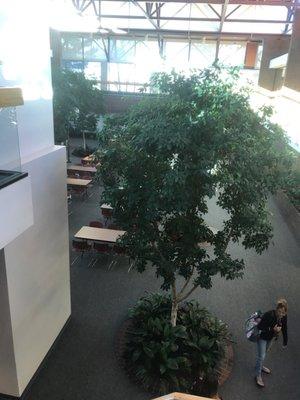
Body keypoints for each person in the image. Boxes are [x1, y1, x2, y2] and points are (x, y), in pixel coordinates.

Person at [255, 298, 288, 388]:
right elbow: (260, 327)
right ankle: (258, 376)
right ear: (277, 309)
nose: (281, 314)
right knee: (261, 356)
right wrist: (272, 329)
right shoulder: (269, 314)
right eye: (280, 311)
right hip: (262, 337)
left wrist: (285, 341)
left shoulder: (283, 318)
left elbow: (284, 328)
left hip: (270, 338)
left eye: (283, 313)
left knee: (264, 353)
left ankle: (260, 366)